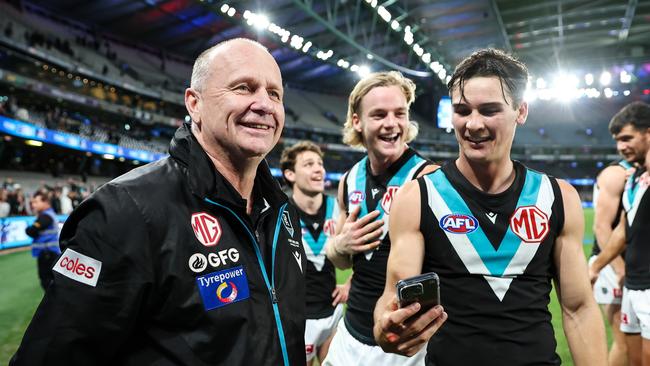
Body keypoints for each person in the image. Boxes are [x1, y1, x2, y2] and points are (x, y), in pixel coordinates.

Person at [11, 38, 306, 366]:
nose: (264, 104)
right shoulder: (124, 210)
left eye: (274, 93)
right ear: (194, 103)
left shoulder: (281, 211)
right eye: (244, 88)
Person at [374, 49, 607, 365]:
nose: (472, 124)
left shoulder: (557, 197)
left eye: (489, 110)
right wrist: (385, 328)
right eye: (462, 110)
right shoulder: (417, 197)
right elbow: (393, 294)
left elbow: (578, 307)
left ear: (520, 111)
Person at [322, 70, 436, 366]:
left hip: (406, 345)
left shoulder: (430, 179)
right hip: (350, 334)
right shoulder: (349, 180)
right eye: (379, 114)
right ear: (357, 121)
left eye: (400, 113)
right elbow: (339, 261)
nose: (391, 124)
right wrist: (341, 245)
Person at [589, 102, 650, 366]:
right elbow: (622, 229)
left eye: (627, 138)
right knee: (631, 355)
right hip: (633, 283)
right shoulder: (633, 178)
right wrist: (597, 266)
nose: (621, 147)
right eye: (617, 141)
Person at [280, 141, 350, 365]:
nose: (319, 169)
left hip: (333, 315)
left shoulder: (339, 209)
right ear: (290, 174)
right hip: (298, 319)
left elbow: (370, 249)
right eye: (309, 164)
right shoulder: (280, 214)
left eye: (320, 164)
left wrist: (351, 282)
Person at [25, 190, 61, 290]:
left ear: (45, 202)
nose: (33, 205)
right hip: (50, 253)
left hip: (47, 254)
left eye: (36, 202)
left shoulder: (46, 216)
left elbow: (32, 231)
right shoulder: (49, 214)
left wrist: (29, 229)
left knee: (47, 282)